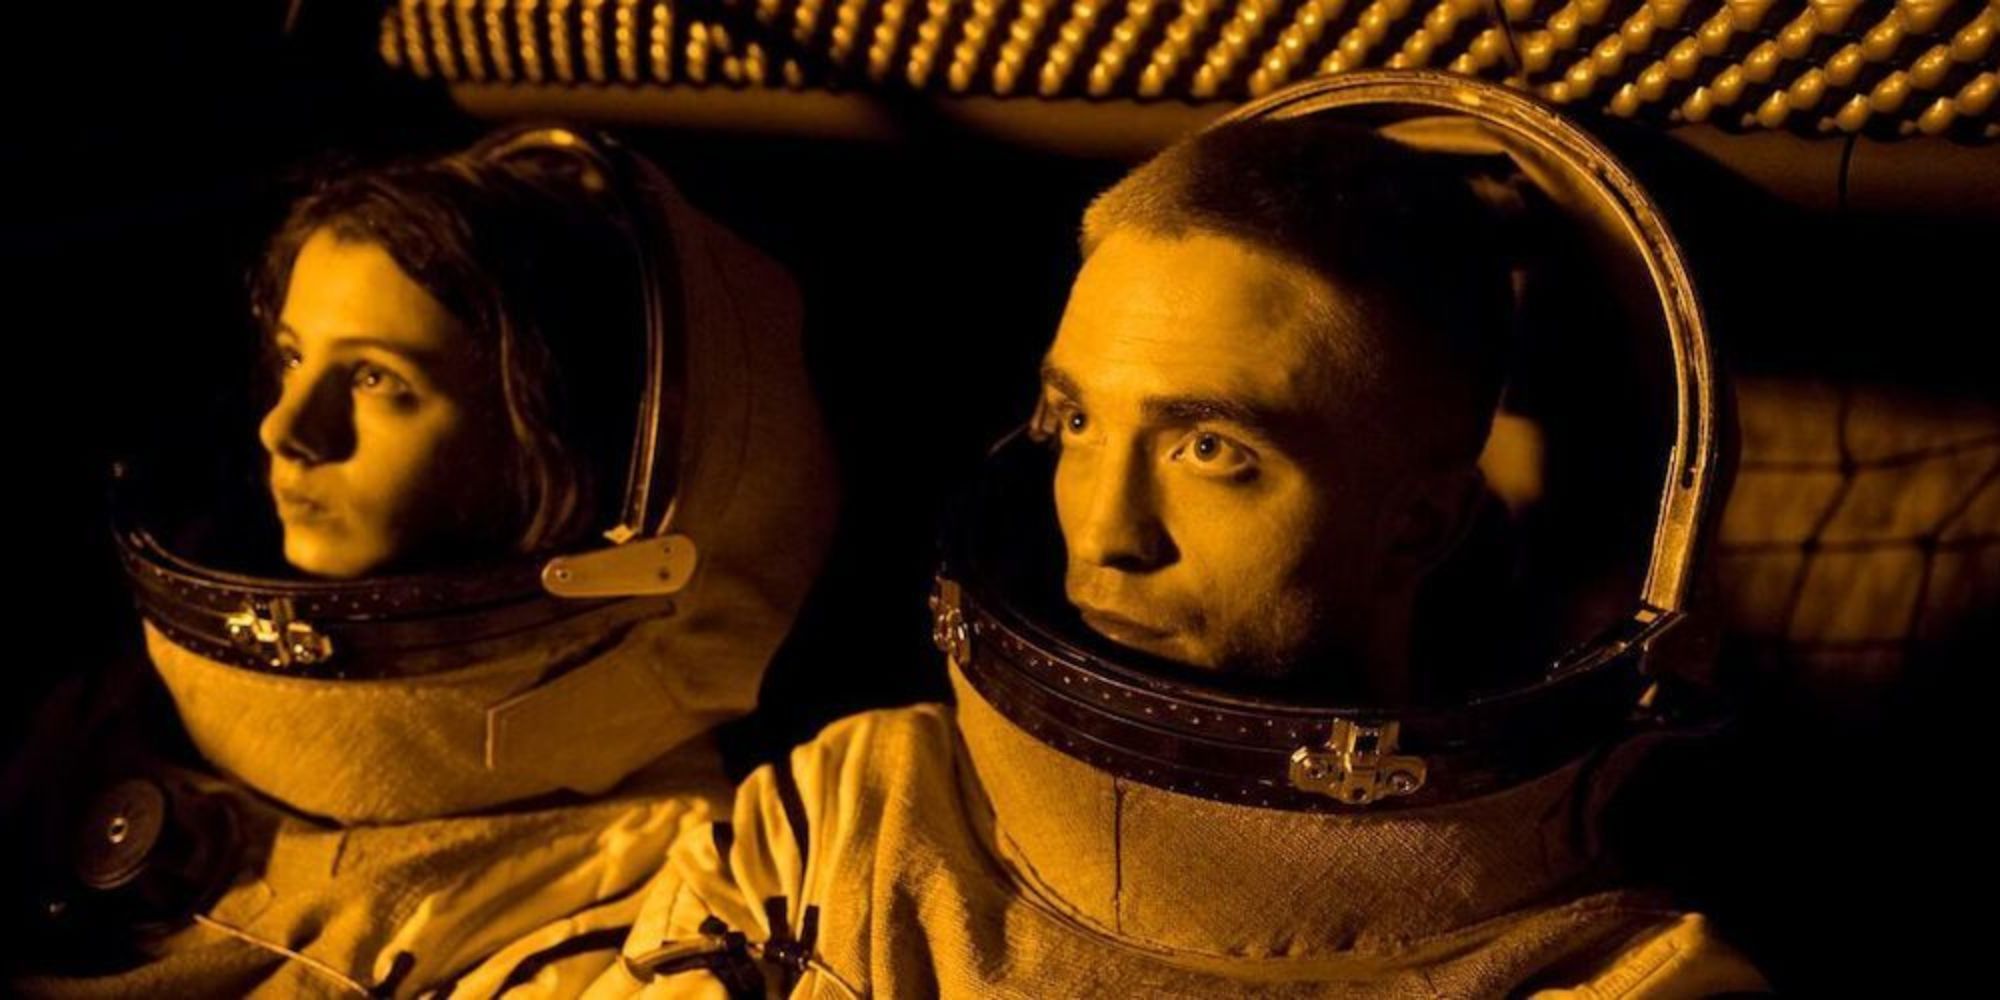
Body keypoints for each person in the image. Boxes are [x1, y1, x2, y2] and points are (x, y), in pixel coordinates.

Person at [574, 76, 1767, 998]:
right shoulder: (837, 815)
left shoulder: (1608, 979)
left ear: (1417, 528)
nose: (1102, 529)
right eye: (1077, 420)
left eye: (1212, 449)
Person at [4, 125, 837, 997]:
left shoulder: (642, 888)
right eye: (294, 358)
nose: (284, 429)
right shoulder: (101, 710)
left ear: (547, 441)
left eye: (376, 379)